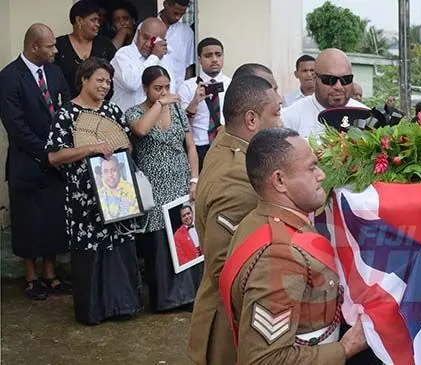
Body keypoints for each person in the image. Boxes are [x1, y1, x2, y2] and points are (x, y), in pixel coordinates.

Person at [218, 127, 368, 364]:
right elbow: (264, 360)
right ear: (279, 181)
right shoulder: (279, 256)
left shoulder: (258, 221)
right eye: (311, 168)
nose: (320, 175)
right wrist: (346, 348)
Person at [187, 74, 282, 365]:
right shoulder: (237, 176)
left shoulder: (229, 143)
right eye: (276, 113)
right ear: (251, 120)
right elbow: (226, 269)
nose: (281, 122)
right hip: (229, 327)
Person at [45, 57, 142, 324]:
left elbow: (127, 146)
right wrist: (92, 148)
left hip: (115, 191)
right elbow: (54, 157)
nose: (105, 85)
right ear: (83, 80)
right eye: (99, 79)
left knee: (119, 244)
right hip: (83, 196)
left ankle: (121, 306)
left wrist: (117, 148)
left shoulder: (112, 112)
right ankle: (94, 311)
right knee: (90, 249)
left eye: (108, 81)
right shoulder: (66, 114)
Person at [0, 23, 71, 300]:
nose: (55, 50)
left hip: (56, 161)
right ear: (34, 47)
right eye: (50, 46)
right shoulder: (9, 76)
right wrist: (46, 153)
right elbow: (15, 125)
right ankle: (31, 278)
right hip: (26, 161)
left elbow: (65, 111)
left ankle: (51, 275)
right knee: (27, 221)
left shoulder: (54, 73)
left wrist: (61, 149)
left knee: (53, 219)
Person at [125, 65, 201, 312]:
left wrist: (194, 179)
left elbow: (190, 147)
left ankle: (188, 295)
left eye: (167, 87)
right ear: (145, 88)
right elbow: (141, 130)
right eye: (157, 88)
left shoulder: (178, 110)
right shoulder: (134, 112)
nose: (164, 92)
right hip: (154, 186)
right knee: (160, 241)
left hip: (180, 183)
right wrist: (160, 103)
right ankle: (165, 299)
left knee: (184, 235)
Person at [282, 48, 367, 139]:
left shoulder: (365, 116)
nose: (338, 86)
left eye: (346, 79)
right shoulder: (290, 117)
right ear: (314, 78)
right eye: (329, 79)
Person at [178, 37, 231, 168]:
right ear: (199, 59)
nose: (214, 59)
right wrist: (195, 102)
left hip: (226, 145)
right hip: (199, 147)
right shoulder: (187, 87)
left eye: (218, 55)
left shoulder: (232, 84)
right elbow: (182, 125)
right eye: (208, 55)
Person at [55, 1, 117, 98]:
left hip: (100, 107)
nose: (98, 24)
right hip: (69, 107)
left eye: (98, 21)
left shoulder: (105, 44)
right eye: (93, 20)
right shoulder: (59, 45)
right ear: (79, 20)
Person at [111, 17, 172, 112]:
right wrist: (154, 57)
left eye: (153, 41)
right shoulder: (123, 54)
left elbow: (170, 93)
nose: (148, 44)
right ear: (138, 34)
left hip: (155, 121)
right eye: (145, 37)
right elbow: (131, 84)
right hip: (124, 121)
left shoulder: (165, 60)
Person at [157, 0, 195, 91]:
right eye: (175, 13)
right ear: (165, 4)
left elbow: (189, 66)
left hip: (177, 93)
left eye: (181, 14)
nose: (178, 17)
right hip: (151, 93)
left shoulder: (187, 32)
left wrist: (185, 91)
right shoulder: (146, 27)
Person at [98, 156, 141, 221]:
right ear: (102, 174)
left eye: (113, 170)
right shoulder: (99, 194)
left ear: (118, 170)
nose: (110, 175)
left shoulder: (132, 189)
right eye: (106, 171)